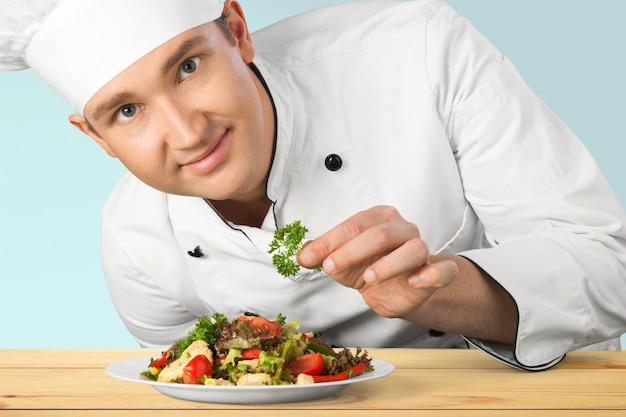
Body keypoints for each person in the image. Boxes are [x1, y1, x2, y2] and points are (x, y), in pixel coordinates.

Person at [1, 0, 624, 371]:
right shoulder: (137, 244)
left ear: (237, 31)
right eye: (127, 112)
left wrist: (440, 288)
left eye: (188, 67)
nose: (187, 134)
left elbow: (609, 275)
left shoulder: (421, 55)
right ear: (96, 138)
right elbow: (192, 387)